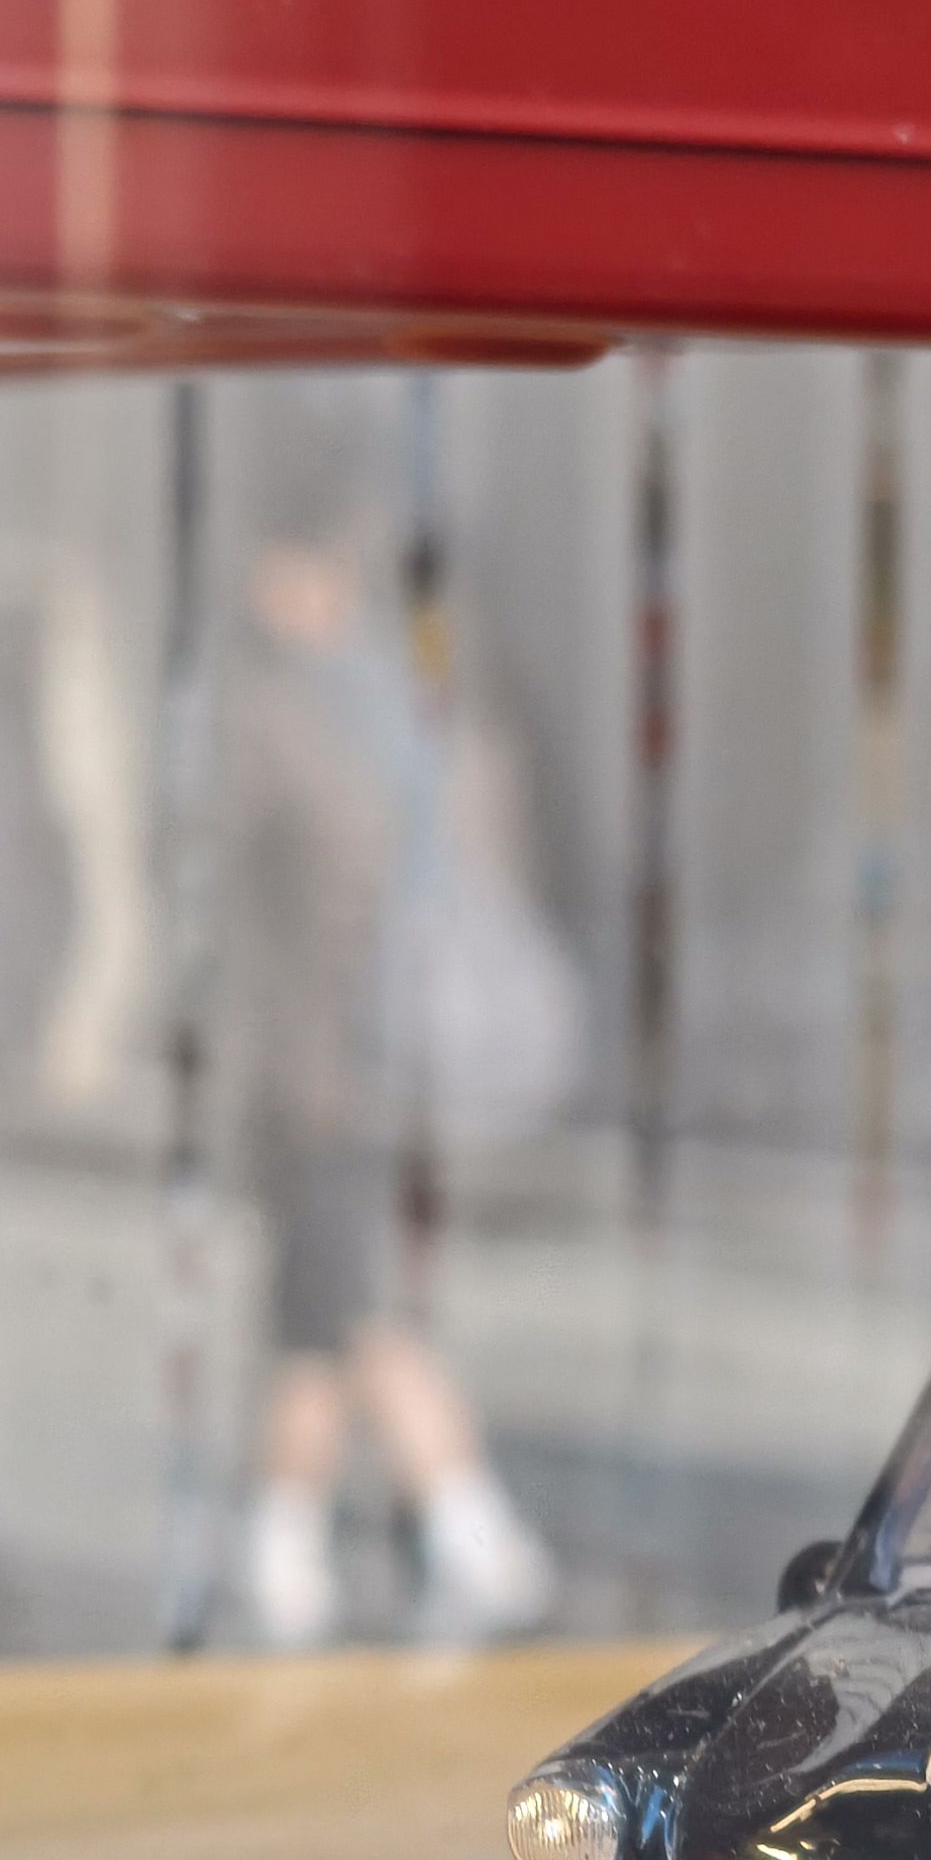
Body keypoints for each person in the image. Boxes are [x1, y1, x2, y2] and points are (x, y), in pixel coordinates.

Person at [229, 511, 559, 1649]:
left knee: (343, 1309)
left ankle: (434, 1527)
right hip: (362, 1074)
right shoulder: (411, 715)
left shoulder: (324, 720)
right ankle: (328, 1540)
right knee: (328, 1313)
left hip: (355, 1074)